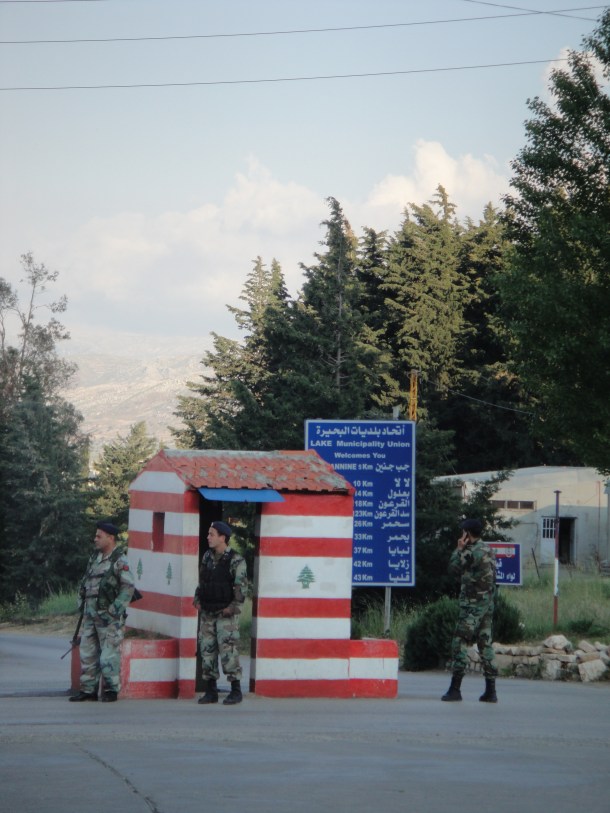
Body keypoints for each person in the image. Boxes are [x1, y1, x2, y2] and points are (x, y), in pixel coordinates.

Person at [70, 521, 135, 702]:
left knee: (109, 655)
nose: (95, 539)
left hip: (109, 618)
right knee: (88, 653)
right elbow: (86, 582)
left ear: (110, 538)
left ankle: (111, 690)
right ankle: (88, 691)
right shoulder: (94, 558)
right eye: (96, 535)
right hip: (91, 615)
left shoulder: (119, 561)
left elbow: (128, 587)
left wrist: (114, 610)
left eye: (99, 536)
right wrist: (81, 603)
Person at [442, 518, 499, 703]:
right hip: (487, 604)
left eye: (463, 532)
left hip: (472, 606)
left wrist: (459, 549)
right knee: (485, 644)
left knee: (459, 642)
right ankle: (491, 691)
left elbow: (452, 568)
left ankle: (455, 689)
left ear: (467, 534)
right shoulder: (488, 549)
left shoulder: (470, 552)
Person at [194, 521, 247, 706]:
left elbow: (241, 590)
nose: (208, 537)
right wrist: (198, 601)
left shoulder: (236, 560)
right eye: (208, 533)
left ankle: (236, 690)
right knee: (207, 650)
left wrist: (231, 608)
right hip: (208, 612)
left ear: (222, 537)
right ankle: (211, 691)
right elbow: (202, 581)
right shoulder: (207, 557)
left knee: (228, 651)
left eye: (212, 534)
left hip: (226, 614)